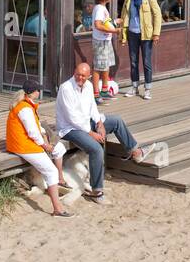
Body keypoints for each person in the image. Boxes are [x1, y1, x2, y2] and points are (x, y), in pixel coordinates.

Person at [55, 63, 156, 203]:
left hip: (85, 123)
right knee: (96, 149)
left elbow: (92, 107)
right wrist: (92, 133)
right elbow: (73, 118)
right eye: (77, 74)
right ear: (74, 72)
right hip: (69, 128)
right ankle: (97, 191)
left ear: (88, 76)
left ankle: (135, 152)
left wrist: (99, 123)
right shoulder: (66, 88)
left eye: (83, 76)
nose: (79, 77)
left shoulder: (89, 86)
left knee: (116, 120)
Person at [4, 80, 71, 217]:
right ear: (32, 93)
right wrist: (45, 144)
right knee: (50, 170)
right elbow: (32, 132)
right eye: (37, 90)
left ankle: (59, 180)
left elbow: (36, 126)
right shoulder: (25, 108)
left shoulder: (27, 105)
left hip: (27, 141)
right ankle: (57, 208)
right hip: (22, 145)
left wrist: (46, 137)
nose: (39, 92)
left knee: (59, 149)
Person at [118, 0, 162, 100]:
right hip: (132, 33)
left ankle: (147, 89)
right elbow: (124, 15)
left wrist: (156, 33)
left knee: (146, 62)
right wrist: (123, 35)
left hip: (146, 34)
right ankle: (134, 86)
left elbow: (157, 15)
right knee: (133, 61)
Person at [89, 0, 118, 100]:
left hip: (105, 40)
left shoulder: (101, 8)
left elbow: (105, 23)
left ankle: (105, 90)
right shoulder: (100, 9)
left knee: (105, 65)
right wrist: (114, 30)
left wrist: (115, 22)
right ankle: (96, 94)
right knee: (98, 67)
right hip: (100, 41)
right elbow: (98, 24)